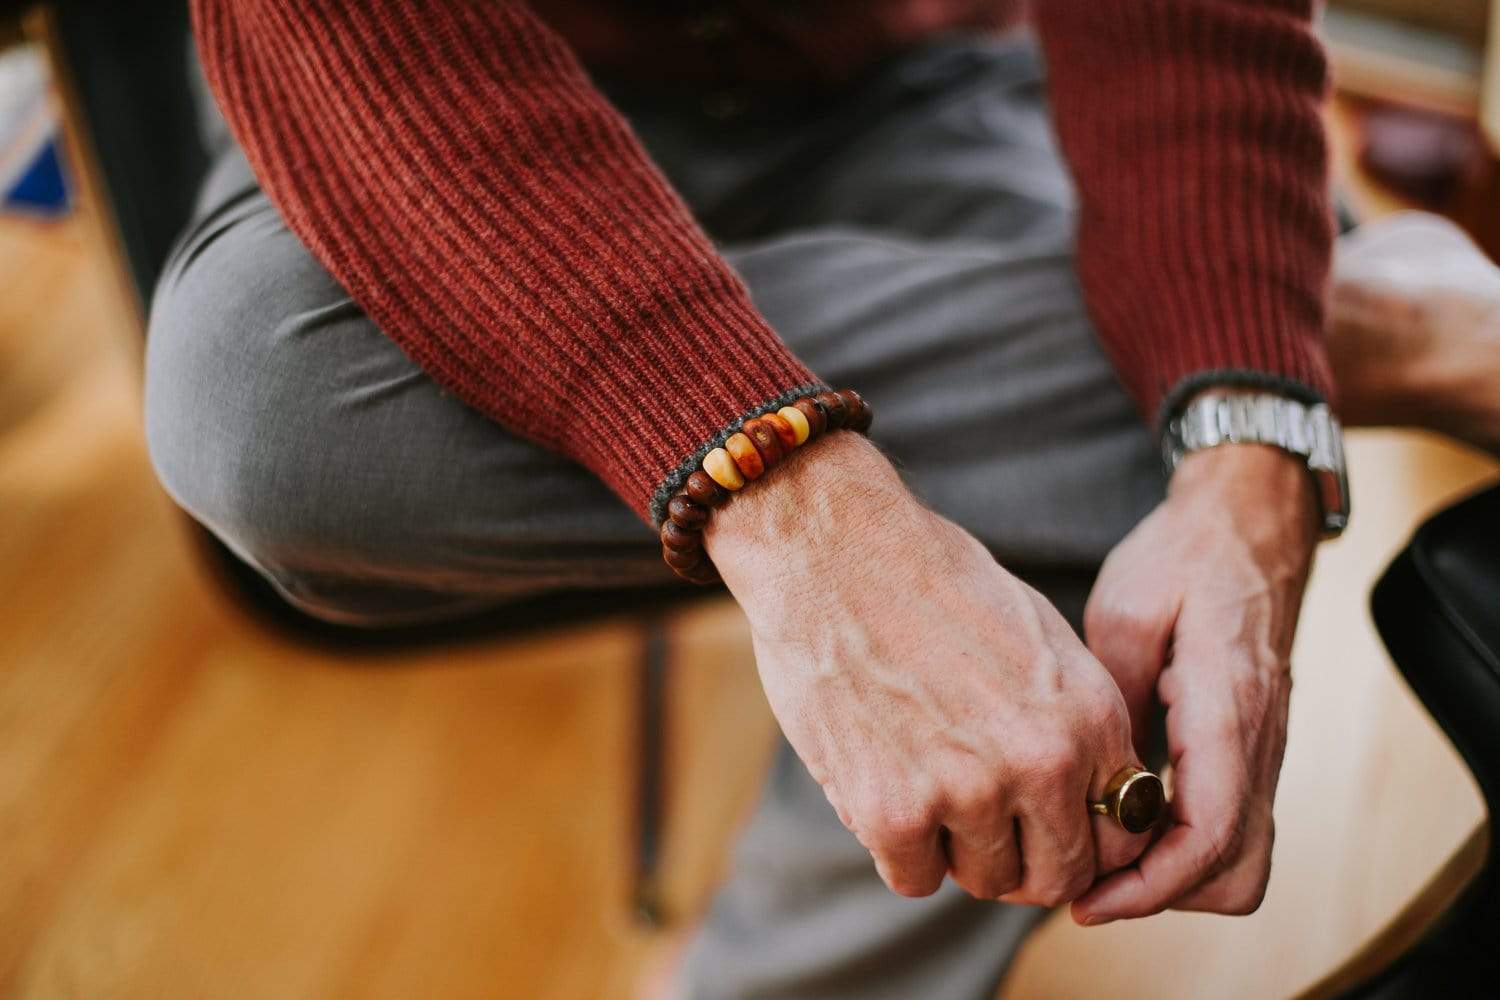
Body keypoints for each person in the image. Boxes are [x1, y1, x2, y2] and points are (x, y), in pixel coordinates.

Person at [144, 2, 1500, 997]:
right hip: (433, 76)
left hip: (922, 73)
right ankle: (1376, 323)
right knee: (260, 410)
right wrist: (797, 500)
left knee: (1134, 546)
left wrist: (1242, 446)